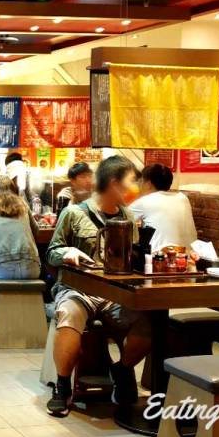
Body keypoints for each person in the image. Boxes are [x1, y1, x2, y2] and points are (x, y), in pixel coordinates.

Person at [45, 155, 150, 417]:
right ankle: (62, 386)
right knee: (69, 315)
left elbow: (134, 258)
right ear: (114, 183)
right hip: (78, 289)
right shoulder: (74, 213)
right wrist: (67, 252)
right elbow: (51, 253)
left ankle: (122, 369)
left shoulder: (128, 217)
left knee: (149, 320)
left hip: (115, 293)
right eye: (130, 181)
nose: (134, 188)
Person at [130, 163, 198, 251]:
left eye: (142, 181)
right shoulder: (183, 198)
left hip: (161, 255)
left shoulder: (146, 201)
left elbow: (121, 218)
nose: (140, 185)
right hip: (190, 254)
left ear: (149, 184)